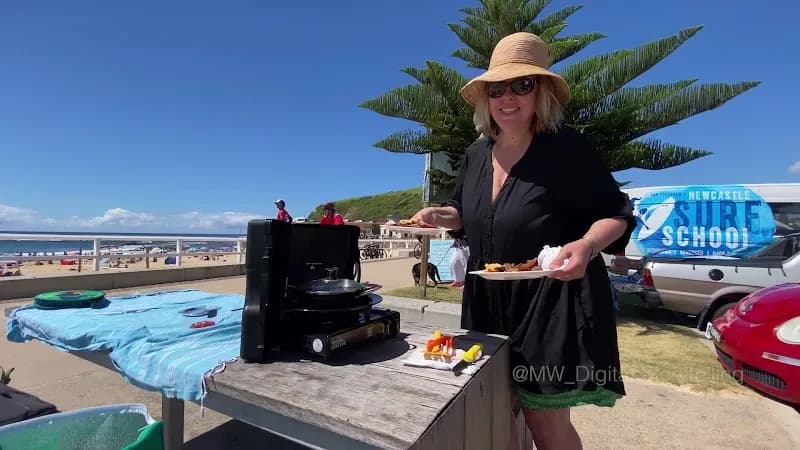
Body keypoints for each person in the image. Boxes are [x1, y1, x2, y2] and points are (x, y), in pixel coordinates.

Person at [411, 32, 636, 450]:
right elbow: (465, 212)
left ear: (542, 92)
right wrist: (441, 215)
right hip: (485, 301)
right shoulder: (477, 154)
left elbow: (615, 214)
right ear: (486, 98)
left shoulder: (566, 149)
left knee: (544, 423)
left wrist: (586, 246)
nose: (507, 97)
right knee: (493, 407)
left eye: (522, 85)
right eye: (497, 89)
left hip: (549, 303)